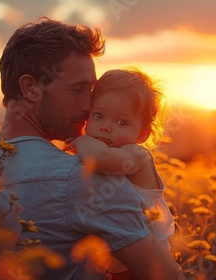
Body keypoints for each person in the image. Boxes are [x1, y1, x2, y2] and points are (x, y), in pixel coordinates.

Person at [0, 17, 183, 280]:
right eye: (78, 89)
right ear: (31, 88)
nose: (88, 105)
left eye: (91, 91)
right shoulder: (85, 179)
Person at [66, 68, 175, 279]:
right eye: (99, 116)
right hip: (118, 264)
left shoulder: (136, 156)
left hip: (144, 264)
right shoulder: (106, 148)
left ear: (142, 134)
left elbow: (99, 160)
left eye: (121, 122)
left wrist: (81, 140)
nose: (106, 127)